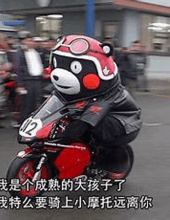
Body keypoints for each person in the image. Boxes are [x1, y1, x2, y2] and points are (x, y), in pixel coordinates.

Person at [48, 35, 142, 172]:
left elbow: (95, 111)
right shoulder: (76, 90)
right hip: (99, 114)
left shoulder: (109, 92)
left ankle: (115, 164)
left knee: (96, 130)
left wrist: (77, 127)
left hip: (124, 122)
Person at [15, 32, 43, 124]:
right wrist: (20, 84)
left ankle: (33, 123)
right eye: (28, 40)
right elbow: (18, 69)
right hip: (27, 81)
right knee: (27, 104)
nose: (31, 42)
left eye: (31, 40)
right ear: (23, 42)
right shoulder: (20, 53)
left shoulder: (36, 52)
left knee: (37, 103)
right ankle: (23, 123)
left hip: (37, 80)